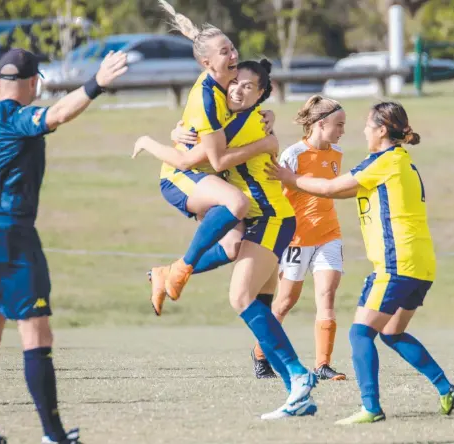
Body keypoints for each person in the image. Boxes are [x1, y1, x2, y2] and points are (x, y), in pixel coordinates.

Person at [0, 48, 128, 444]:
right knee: (35, 334)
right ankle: (53, 435)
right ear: (34, 82)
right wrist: (97, 83)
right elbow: (59, 114)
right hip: (12, 233)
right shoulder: (17, 120)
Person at [135, 60, 318, 419]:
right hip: (266, 219)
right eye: (235, 82)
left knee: (240, 297)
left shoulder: (245, 123)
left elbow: (197, 159)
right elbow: (203, 140)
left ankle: (298, 375)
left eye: (249, 86)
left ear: (262, 94)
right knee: (258, 308)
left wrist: (152, 141)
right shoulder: (234, 118)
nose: (237, 89)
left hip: (269, 218)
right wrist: (180, 130)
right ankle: (297, 395)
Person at [266, 101, 454, 424]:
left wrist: (290, 178)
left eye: (368, 127)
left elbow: (330, 189)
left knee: (360, 334)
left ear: (382, 130)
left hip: (397, 264)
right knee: (392, 333)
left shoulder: (385, 162)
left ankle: (371, 408)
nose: (362, 131)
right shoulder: (401, 161)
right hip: (421, 265)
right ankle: (445, 388)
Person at [142, 0, 279, 315]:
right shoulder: (206, 97)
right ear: (206, 63)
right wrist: (263, 144)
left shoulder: (229, 80)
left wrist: (265, 112)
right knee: (238, 203)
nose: (233, 55)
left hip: (207, 177)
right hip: (181, 177)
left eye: (231, 48)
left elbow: (248, 103)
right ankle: (183, 268)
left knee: (232, 247)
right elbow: (216, 161)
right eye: (225, 52)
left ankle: (167, 272)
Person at [251, 95, 348, 381]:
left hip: (329, 234)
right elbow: (276, 192)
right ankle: (259, 353)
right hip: (295, 238)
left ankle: (323, 364)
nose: (343, 130)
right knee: (285, 302)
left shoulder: (337, 154)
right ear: (320, 124)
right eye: (338, 124)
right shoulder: (293, 154)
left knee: (326, 296)